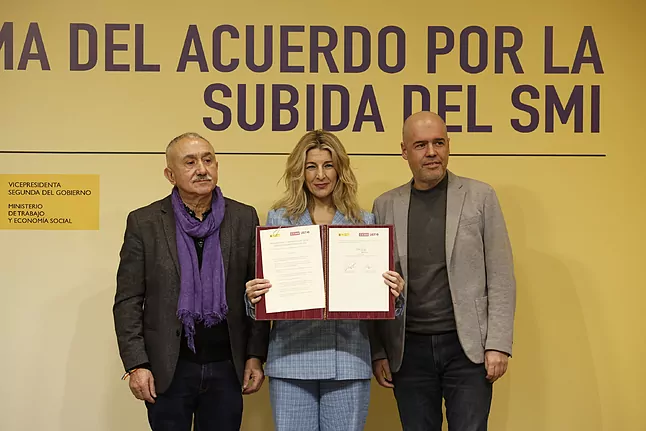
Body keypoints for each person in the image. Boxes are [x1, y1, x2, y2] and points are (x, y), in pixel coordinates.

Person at [244, 130, 405, 431]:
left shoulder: (364, 222)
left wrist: (394, 294)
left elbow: (380, 307)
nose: (320, 175)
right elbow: (264, 301)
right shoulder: (279, 220)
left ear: (340, 169)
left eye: (328, 165)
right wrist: (255, 297)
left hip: (348, 359)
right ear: (299, 172)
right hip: (291, 358)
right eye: (311, 166)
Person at [113, 132, 270, 431]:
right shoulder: (144, 222)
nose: (202, 169)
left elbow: (258, 292)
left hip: (227, 366)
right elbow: (128, 301)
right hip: (167, 368)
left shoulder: (243, 217)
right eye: (190, 162)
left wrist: (255, 355)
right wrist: (137, 364)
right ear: (170, 174)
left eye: (208, 160)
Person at [370, 111, 516, 431]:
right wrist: (379, 351)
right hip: (408, 350)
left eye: (439, 142)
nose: (432, 152)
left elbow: (501, 275)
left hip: (467, 349)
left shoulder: (480, 197)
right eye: (421, 145)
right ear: (404, 151)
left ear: (449, 145)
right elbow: (375, 285)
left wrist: (498, 344)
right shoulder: (384, 205)